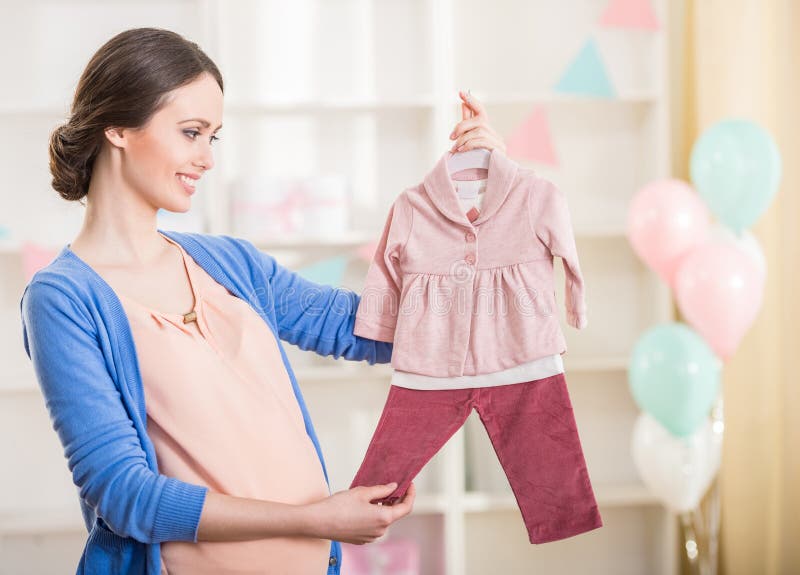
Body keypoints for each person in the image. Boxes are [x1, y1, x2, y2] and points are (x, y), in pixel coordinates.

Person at [20, 27, 507, 575]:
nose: (206, 158)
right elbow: (128, 497)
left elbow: (371, 327)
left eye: (213, 137)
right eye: (191, 132)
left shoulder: (231, 263)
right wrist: (317, 521)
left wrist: (471, 204)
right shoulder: (63, 297)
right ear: (118, 128)